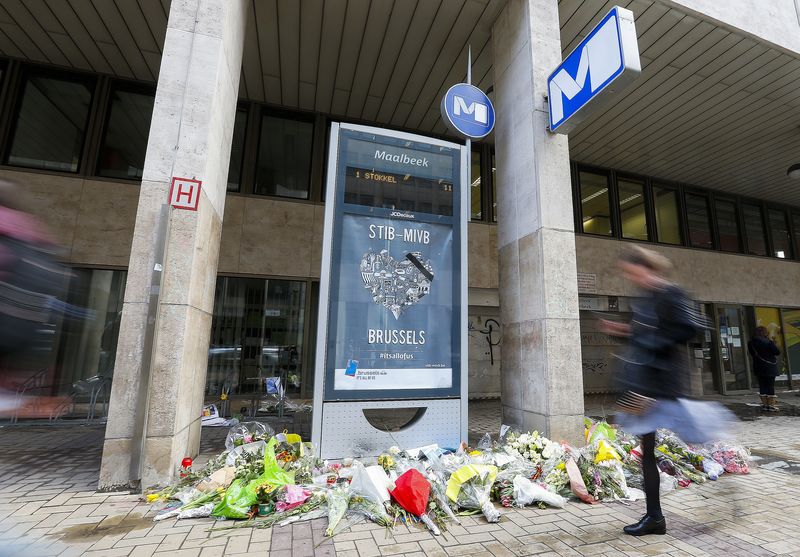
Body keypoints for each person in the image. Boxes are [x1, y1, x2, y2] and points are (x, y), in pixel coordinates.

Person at [602, 246, 732, 537]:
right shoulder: (645, 300)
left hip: (665, 385)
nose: (631, 277)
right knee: (646, 451)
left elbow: (692, 328)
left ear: (646, 268)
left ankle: (719, 464)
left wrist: (652, 340)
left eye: (632, 272)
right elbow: (642, 337)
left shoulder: (671, 293)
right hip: (647, 385)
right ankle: (654, 517)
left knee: (694, 433)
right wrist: (623, 331)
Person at [748, 326, 780, 412]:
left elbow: (752, 354)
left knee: (762, 386)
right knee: (770, 386)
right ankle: (771, 405)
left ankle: (765, 405)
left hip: (758, 367)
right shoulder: (768, 342)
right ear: (765, 333)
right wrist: (773, 343)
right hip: (769, 367)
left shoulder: (751, 343)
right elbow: (777, 352)